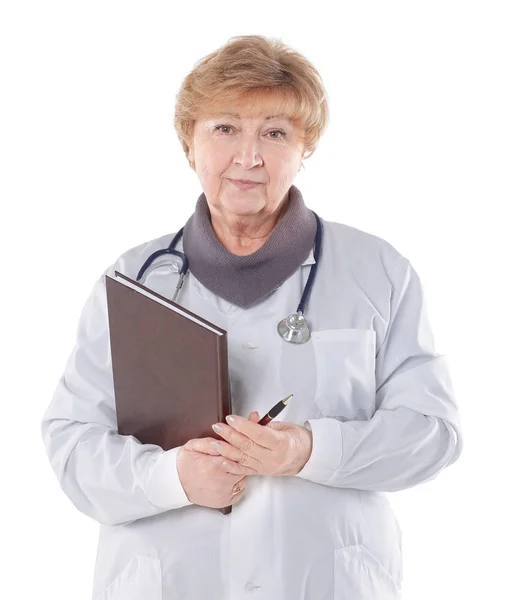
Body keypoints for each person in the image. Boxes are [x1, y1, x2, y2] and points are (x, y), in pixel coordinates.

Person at [41, 34, 463, 600]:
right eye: (224, 128)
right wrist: (174, 479)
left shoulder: (379, 272)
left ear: (304, 146)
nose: (248, 156)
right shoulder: (135, 279)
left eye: (274, 132)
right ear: (188, 143)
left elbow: (434, 434)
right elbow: (71, 443)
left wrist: (312, 451)